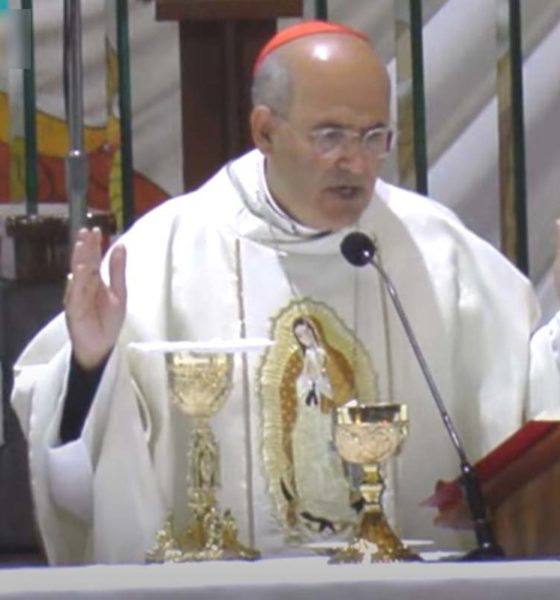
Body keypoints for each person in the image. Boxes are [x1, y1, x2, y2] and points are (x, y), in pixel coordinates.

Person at [11, 20, 560, 565]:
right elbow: (78, 472)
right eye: (331, 136)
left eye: (375, 137)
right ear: (265, 132)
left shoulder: (438, 251)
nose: (357, 161)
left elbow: (528, 404)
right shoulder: (168, 252)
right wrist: (89, 366)